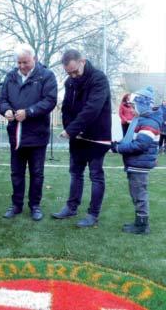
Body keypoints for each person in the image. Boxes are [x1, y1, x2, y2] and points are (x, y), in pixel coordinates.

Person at [52, 49, 112, 227]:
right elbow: (66, 109)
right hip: (77, 136)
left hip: (97, 136)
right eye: (69, 73)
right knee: (75, 173)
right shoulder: (70, 82)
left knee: (96, 175)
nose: (73, 76)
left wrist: (71, 130)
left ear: (82, 61)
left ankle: (93, 214)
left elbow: (92, 109)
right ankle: (71, 207)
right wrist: (70, 128)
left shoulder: (99, 79)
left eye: (75, 71)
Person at [0, 43, 57, 221]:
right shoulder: (10, 76)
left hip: (37, 134)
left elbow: (50, 101)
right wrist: (6, 110)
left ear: (34, 58)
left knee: (37, 173)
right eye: (19, 62)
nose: (22, 66)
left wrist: (29, 112)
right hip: (15, 134)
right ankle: (16, 205)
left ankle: (35, 206)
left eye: (25, 62)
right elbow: (2, 99)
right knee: (16, 172)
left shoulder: (46, 75)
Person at [111, 86, 162, 234]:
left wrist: (119, 148)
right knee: (136, 194)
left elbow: (140, 145)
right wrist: (119, 144)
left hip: (140, 165)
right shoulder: (141, 120)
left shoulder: (149, 123)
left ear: (142, 104)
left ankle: (142, 226)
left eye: (133, 107)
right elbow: (132, 140)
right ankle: (139, 222)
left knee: (139, 195)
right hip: (136, 164)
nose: (131, 110)